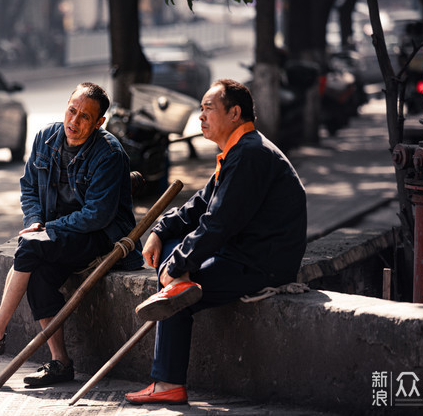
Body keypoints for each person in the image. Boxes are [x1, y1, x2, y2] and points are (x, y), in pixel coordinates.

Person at [125, 79, 307, 405]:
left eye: (208, 108)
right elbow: (198, 206)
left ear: (235, 113)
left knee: (177, 291)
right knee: (171, 258)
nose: (201, 117)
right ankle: (175, 292)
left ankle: (167, 382)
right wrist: (159, 232)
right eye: (201, 110)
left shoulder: (251, 154)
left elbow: (218, 224)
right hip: (240, 253)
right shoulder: (238, 150)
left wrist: (176, 267)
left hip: (260, 264)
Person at [0, 82, 143, 387]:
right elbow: (28, 187)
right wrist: (35, 220)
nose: (74, 122)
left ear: (99, 123)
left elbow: (97, 215)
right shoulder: (45, 138)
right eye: (72, 110)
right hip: (58, 233)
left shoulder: (108, 153)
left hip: (99, 236)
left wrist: (47, 230)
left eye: (85, 117)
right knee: (39, 276)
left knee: (29, 249)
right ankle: (61, 363)